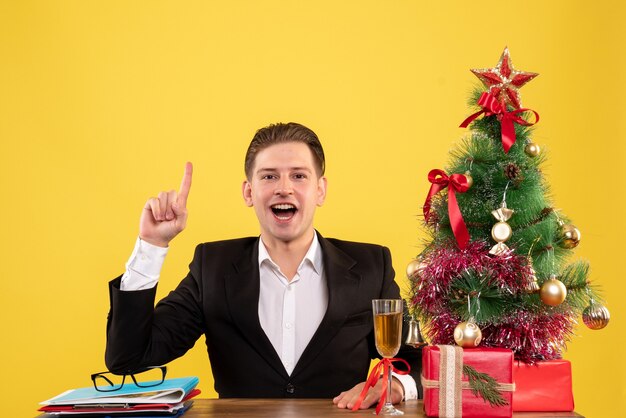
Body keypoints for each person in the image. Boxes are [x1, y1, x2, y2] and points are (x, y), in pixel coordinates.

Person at [105, 122, 422, 409]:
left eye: (299, 175)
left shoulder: (371, 266)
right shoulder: (212, 267)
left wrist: (395, 384)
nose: (284, 187)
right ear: (249, 192)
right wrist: (152, 246)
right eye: (269, 176)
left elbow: (416, 359)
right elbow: (129, 357)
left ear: (320, 190)